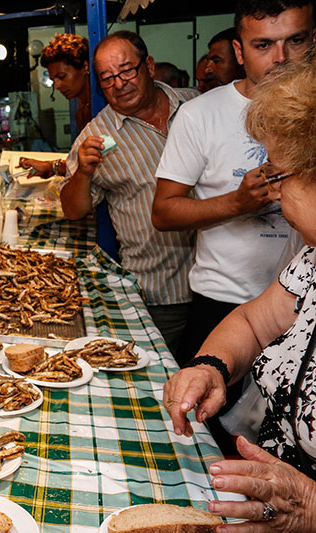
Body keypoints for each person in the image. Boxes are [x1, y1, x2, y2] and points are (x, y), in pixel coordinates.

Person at [153, 0, 314, 454]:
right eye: (264, 45)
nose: (281, 59)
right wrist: (239, 202)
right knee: (219, 444)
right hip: (223, 302)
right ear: (241, 51)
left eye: (295, 41)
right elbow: (163, 212)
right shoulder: (202, 114)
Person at [164, 59, 316, 529]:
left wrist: (310, 508)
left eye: (278, 173)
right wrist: (211, 366)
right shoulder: (311, 261)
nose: (271, 189)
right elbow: (253, 320)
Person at [61, 31, 198, 356]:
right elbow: (72, 209)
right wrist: (83, 173)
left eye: (126, 71)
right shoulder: (96, 136)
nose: (119, 84)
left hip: (223, 283)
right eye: (107, 78)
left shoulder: (195, 105)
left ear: (148, 65)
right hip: (159, 292)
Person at [19, 34, 90, 178]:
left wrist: (53, 167)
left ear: (85, 67)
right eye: (53, 80)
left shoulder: (106, 107)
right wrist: (51, 167)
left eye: (62, 77)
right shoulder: (81, 111)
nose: (57, 86)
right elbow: (84, 165)